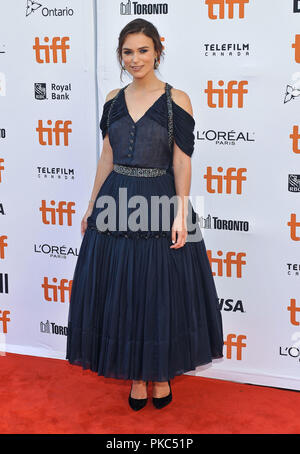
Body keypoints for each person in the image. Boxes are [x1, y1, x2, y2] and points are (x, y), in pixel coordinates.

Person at [66, 18, 224, 411]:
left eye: (142, 50)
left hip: (159, 201)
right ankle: (137, 378)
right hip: (115, 200)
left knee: (159, 292)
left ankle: (160, 373)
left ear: (157, 51)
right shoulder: (113, 99)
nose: (135, 59)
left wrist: (179, 212)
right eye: (127, 52)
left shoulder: (178, 100)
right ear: (120, 56)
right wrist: (90, 205)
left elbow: (182, 163)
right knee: (123, 292)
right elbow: (107, 154)